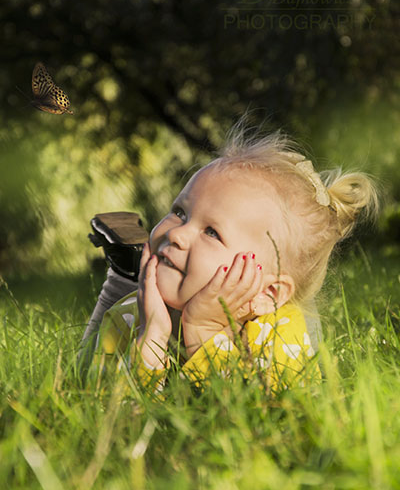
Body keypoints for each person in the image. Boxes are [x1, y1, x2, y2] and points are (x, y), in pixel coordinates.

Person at [82, 127, 378, 394]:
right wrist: (151, 339)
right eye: (180, 212)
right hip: (147, 302)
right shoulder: (127, 318)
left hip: (263, 310)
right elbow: (111, 421)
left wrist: (205, 333)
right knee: (86, 357)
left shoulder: (279, 330)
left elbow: (260, 423)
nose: (178, 234)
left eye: (212, 232)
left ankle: (125, 270)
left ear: (268, 293)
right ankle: (124, 272)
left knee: (309, 327)